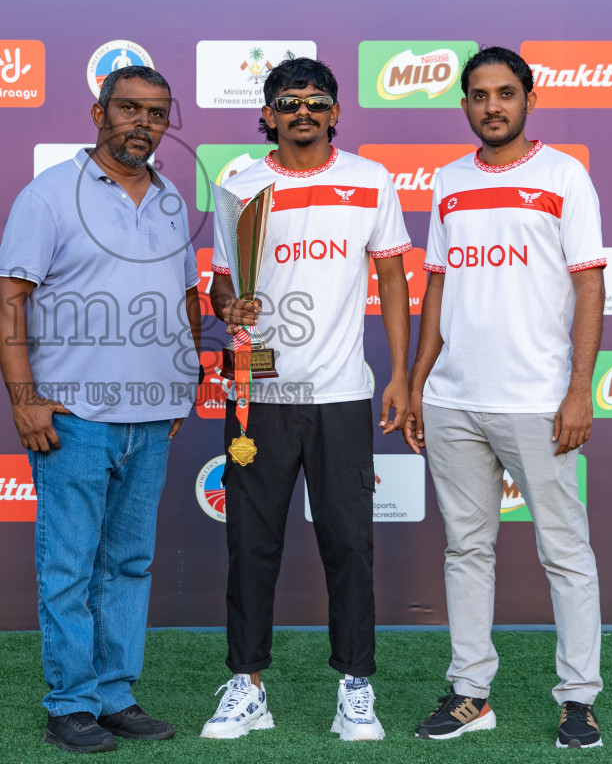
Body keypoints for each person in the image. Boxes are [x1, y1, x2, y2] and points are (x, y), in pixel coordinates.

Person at [0, 64, 203, 754]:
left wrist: (184, 377)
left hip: (151, 417)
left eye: (157, 113)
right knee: (71, 566)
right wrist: (25, 401)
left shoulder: (173, 199)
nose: (142, 123)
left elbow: (183, 299)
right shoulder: (50, 196)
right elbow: (10, 299)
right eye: (129, 109)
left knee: (129, 564)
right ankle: (70, 703)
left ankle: (114, 694)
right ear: (98, 113)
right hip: (75, 418)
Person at [400, 46, 607, 749]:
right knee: (466, 548)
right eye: (480, 95)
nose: (492, 106)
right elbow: (436, 287)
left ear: (529, 99)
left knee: (565, 551)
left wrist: (579, 391)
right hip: (456, 399)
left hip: (538, 400)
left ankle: (578, 699)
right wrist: (421, 382)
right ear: (464, 104)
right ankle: (470, 692)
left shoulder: (563, 175)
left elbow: (588, 284)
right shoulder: (448, 181)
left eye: (505, 93)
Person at [202, 57, 411, 742]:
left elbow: (394, 281)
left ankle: (355, 686)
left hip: (342, 395)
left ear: (335, 113)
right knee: (250, 544)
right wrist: (231, 306)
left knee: (349, 545)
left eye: (316, 101)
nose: (302, 113)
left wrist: (402, 374)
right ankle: (247, 684)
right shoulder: (239, 185)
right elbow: (221, 288)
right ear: (267, 114)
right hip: (258, 393)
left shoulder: (370, 180)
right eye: (288, 102)